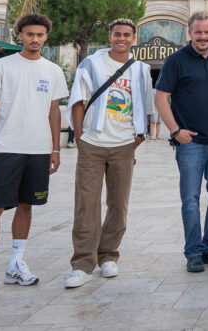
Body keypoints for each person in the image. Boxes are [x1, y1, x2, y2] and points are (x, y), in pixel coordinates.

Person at [0, 13, 69, 301]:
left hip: (38, 150)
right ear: (20, 36)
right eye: (30, 34)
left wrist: (55, 148)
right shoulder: (0, 66)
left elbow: (53, 111)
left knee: (27, 205)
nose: (35, 39)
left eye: (40, 35)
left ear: (46, 37)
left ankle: (15, 265)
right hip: (5, 148)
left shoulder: (53, 70)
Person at [64, 18, 153, 289]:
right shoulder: (92, 63)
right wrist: (80, 137)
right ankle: (82, 264)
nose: (121, 39)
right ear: (110, 36)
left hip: (124, 145)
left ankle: (108, 256)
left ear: (134, 38)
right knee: (86, 204)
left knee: (118, 204)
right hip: (92, 143)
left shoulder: (141, 69)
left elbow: (146, 104)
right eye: (117, 34)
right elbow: (78, 100)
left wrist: (138, 136)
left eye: (126, 35)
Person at [154, 11, 208, 273]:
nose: (203, 36)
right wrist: (176, 131)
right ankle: (194, 252)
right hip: (190, 144)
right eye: (198, 32)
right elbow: (161, 98)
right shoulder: (176, 60)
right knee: (190, 199)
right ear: (190, 33)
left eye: (207, 32)